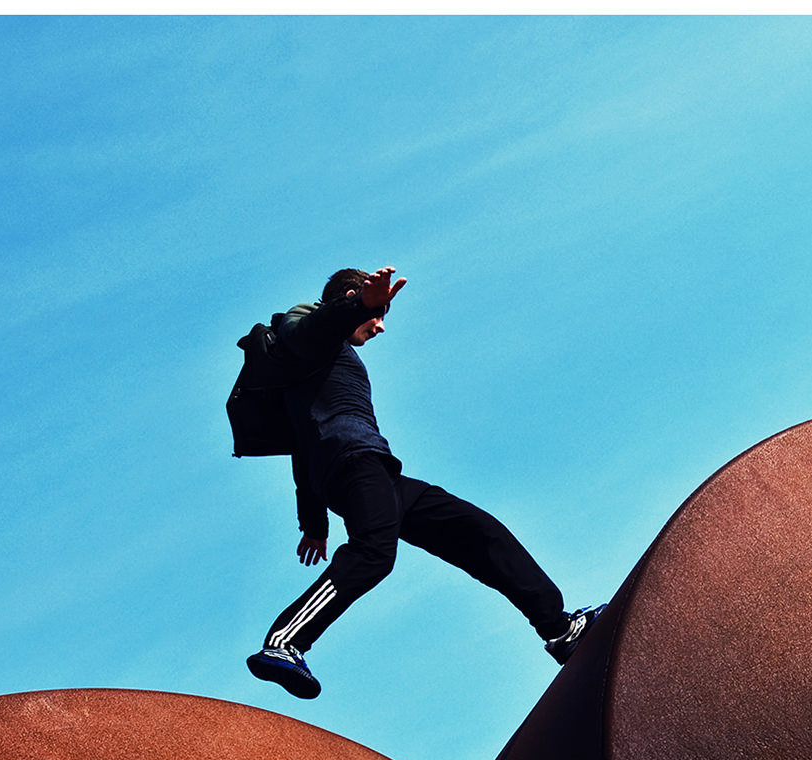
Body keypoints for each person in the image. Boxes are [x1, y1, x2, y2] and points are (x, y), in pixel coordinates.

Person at [245, 266, 600, 700]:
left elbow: (300, 444)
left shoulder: (328, 353)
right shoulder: (304, 334)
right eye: (377, 314)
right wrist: (358, 305)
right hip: (351, 466)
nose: (380, 326)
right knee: (374, 554)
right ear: (352, 299)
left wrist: (313, 523)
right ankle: (284, 642)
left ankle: (558, 628)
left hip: (378, 471)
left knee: (478, 532)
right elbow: (311, 332)